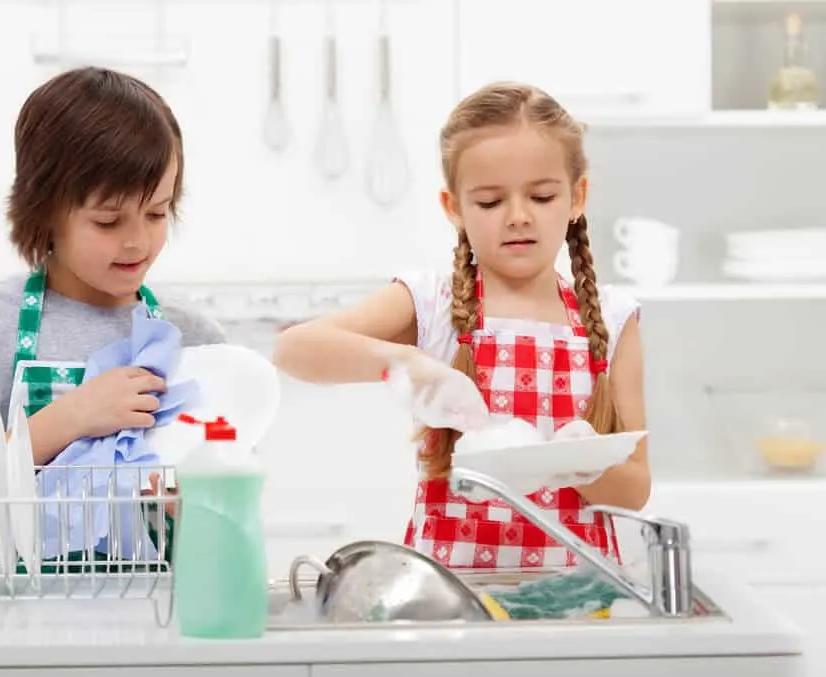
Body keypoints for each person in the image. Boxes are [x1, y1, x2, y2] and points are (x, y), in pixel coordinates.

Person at [273, 82, 648, 569]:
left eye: (541, 196)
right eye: (490, 202)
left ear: (577, 196)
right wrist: (404, 362)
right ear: (455, 209)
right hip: (450, 601)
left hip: (577, 604)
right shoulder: (433, 302)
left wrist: (578, 464)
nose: (517, 217)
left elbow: (635, 490)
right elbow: (294, 349)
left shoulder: (614, 318)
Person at [0, 66, 225, 493]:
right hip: (12, 565)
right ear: (45, 212)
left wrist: (190, 499)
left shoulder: (195, 339)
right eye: (108, 221)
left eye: (157, 213)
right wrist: (72, 417)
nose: (137, 242)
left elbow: (232, 495)